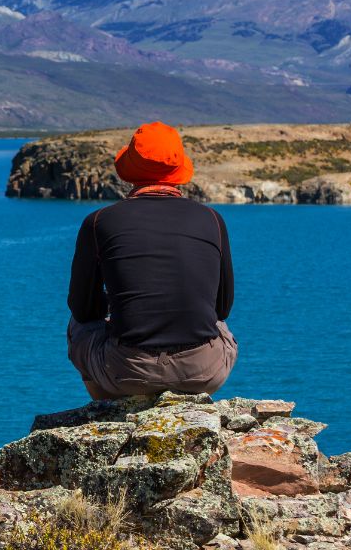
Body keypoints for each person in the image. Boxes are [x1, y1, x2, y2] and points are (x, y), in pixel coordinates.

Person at [67, 121, 237, 400]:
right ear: (178, 169)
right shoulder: (212, 220)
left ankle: (110, 409)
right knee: (219, 327)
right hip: (204, 371)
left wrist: (117, 309)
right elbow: (222, 307)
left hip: (127, 371)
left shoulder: (99, 222)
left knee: (77, 326)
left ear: (131, 169)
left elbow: (83, 310)